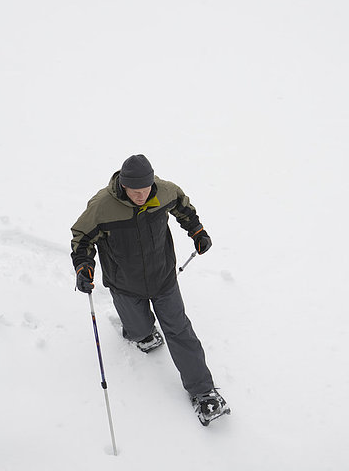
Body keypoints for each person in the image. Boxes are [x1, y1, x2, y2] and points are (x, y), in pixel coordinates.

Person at [71, 154, 230, 425]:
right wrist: (83, 267)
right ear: (123, 185)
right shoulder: (102, 207)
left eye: (145, 190)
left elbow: (183, 208)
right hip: (124, 284)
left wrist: (197, 231)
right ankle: (139, 331)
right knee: (141, 331)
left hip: (163, 277)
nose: (141, 196)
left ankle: (203, 392)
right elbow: (82, 238)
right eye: (135, 191)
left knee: (179, 329)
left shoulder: (164, 190)